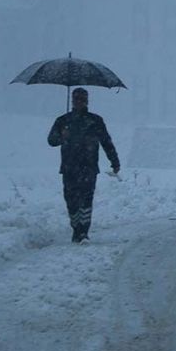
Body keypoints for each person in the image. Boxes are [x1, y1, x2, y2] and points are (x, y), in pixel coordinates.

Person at [47, 88, 120, 243]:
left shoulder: (95, 121)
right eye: (77, 99)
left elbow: (106, 141)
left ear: (87, 101)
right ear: (72, 101)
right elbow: (51, 141)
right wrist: (62, 136)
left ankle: (84, 231)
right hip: (69, 167)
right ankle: (76, 227)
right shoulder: (63, 121)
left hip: (89, 166)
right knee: (71, 199)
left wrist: (114, 160)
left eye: (82, 99)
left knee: (86, 199)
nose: (79, 102)